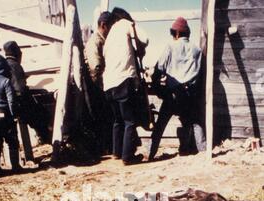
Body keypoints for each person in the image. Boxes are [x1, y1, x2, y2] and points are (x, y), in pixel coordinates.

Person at [149, 17, 206, 161]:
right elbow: (200, 74)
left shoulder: (170, 46)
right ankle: (203, 153)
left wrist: (158, 89)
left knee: (160, 125)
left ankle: (150, 153)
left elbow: (158, 69)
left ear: (176, 34)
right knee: (194, 123)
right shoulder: (198, 50)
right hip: (189, 95)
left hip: (173, 94)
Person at [103, 7, 149, 165]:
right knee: (130, 120)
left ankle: (117, 152)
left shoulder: (109, 37)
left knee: (118, 120)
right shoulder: (125, 24)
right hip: (123, 80)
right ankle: (127, 157)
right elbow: (146, 38)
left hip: (108, 84)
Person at [3, 40, 51, 144]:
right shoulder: (15, 65)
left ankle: (42, 136)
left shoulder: (4, 64)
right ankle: (46, 138)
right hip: (18, 104)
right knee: (41, 114)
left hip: (8, 104)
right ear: (17, 53)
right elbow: (20, 90)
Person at [85, 11, 114, 155]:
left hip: (103, 86)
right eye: (111, 27)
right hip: (98, 88)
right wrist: (103, 90)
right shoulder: (94, 42)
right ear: (104, 25)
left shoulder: (103, 41)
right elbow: (95, 68)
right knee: (102, 118)